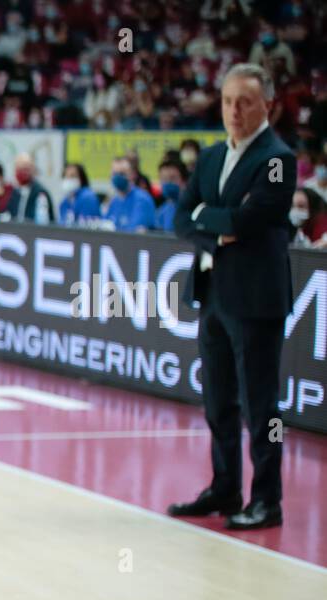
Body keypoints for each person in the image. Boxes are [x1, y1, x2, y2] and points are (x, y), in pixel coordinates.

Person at [171, 64, 296, 531]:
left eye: (244, 101)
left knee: (261, 406)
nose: (234, 110)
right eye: (226, 101)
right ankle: (226, 486)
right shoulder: (208, 157)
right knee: (218, 400)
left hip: (257, 299)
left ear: (267, 103)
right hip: (214, 296)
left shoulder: (279, 157)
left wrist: (212, 218)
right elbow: (182, 218)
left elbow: (254, 220)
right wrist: (214, 229)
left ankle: (268, 499)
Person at [104, 155, 156, 232]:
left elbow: (136, 232)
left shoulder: (142, 199)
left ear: (132, 174)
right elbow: (104, 226)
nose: (118, 177)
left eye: (122, 174)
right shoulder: (114, 201)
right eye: (115, 174)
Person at [4, 152, 53, 223]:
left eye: (26, 168)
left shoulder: (40, 193)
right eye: (20, 168)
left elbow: (43, 221)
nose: (23, 172)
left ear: (33, 169)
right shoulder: (12, 192)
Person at [155, 158, 186, 231]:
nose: (168, 182)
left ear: (183, 181)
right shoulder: (162, 210)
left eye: (172, 178)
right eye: (164, 179)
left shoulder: (191, 208)